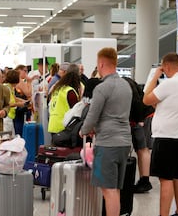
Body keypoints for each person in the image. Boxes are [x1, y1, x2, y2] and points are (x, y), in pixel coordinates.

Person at [79, 47, 132, 216]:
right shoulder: (126, 86)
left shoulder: (102, 88)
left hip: (108, 144)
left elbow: (92, 116)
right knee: (114, 189)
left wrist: (84, 130)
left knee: (108, 190)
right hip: (124, 143)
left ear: (101, 64)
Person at [143, 52, 178, 216]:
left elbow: (146, 99)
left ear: (166, 66)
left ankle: (163, 214)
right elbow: (167, 105)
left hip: (166, 137)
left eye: (163, 68)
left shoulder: (170, 83)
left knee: (165, 178)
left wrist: (154, 76)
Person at [123, 77, 153, 193]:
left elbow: (136, 102)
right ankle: (143, 180)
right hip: (142, 116)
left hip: (142, 118)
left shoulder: (125, 84)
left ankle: (145, 181)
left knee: (142, 149)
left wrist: (138, 120)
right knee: (141, 149)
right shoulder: (126, 82)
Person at [48, 66, 81, 136]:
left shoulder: (57, 89)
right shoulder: (70, 91)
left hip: (53, 124)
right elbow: (76, 110)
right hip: (63, 126)